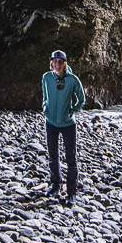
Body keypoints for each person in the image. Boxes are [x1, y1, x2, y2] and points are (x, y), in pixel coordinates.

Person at [42, 49, 87, 206]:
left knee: (70, 159)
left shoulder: (73, 80)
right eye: (54, 61)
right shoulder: (46, 77)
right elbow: (45, 96)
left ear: (65, 64)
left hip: (68, 124)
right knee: (53, 156)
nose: (57, 64)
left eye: (60, 62)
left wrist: (72, 110)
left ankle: (71, 193)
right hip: (51, 123)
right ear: (51, 63)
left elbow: (81, 99)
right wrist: (45, 107)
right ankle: (55, 185)